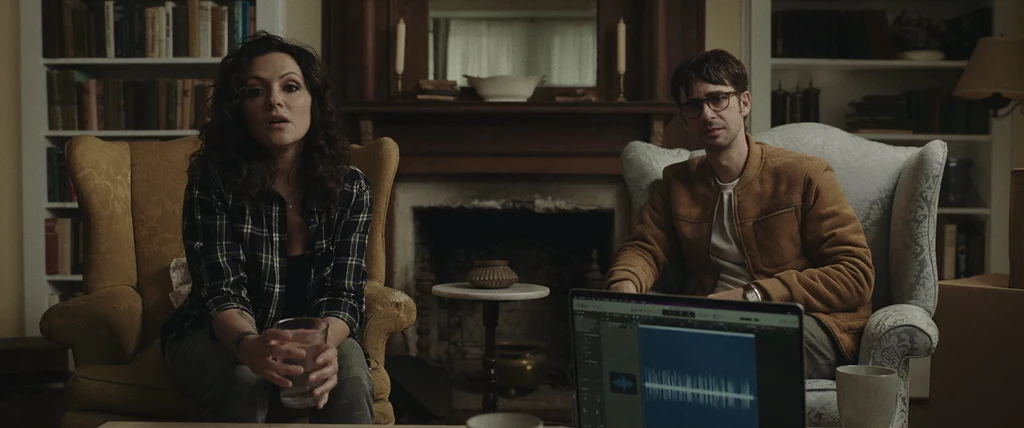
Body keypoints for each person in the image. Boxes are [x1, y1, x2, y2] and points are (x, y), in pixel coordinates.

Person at [605, 49, 874, 380]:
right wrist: (624, 286)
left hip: (805, 321)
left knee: (715, 352)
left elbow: (856, 275)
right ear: (684, 118)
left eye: (718, 99)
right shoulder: (677, 182)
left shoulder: (805, 175)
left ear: (744, 103)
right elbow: (645, 248)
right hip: (712, 320)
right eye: (693, 105)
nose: (707, 114)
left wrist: (754, 295)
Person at [160, 31, 375, 423]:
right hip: (216, 331)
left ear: (313, 101)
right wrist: (249, 345)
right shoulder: (212, 181)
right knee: (244, 381)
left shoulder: (350, 187)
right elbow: (221, 293)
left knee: (351, 377)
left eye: (290, 87)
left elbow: (344, 293)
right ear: (239, 109)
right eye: (255, 91)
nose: (275, 100)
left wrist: (321, 349)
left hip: (315, 331)